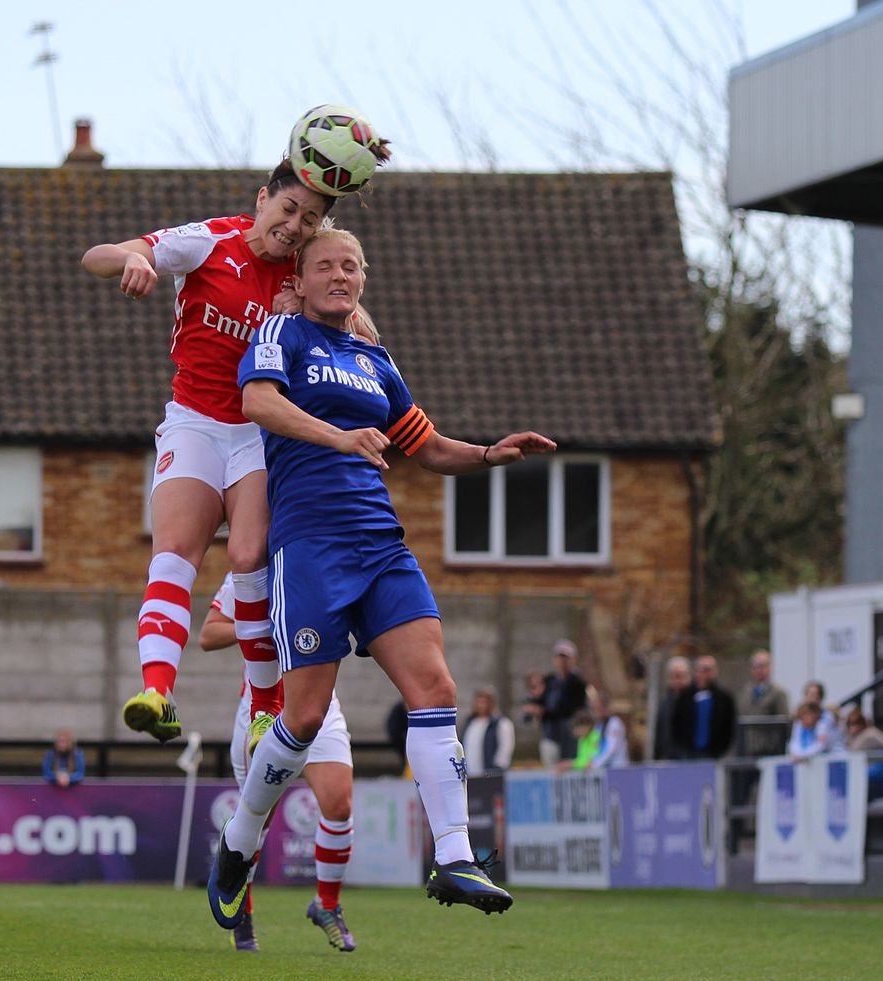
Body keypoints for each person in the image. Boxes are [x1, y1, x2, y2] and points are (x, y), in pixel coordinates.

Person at [208, 224, 555, 928]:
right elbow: (258, 403)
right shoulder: (281, 333)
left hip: (380, 545)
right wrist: (339, 436)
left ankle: (455, 854)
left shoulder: (375, 359)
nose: (340, 275)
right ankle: (241, 838)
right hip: (308, 546)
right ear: (299, 280)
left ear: (364, 280)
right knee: (302, 717)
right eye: (325, 266)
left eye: (351, 267)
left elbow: (422, 444)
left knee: (437, 686)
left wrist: (489, 453)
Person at [80, 155, 370, 744]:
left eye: (309, 219)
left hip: (260, 433)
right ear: (264, 199)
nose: (294, 226)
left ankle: (265, 707)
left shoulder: (303, 273)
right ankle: (157, 692)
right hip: (193, 424)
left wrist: (320, 318)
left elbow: (362, 333)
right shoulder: (209, 242)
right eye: (288, 209)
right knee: (175, 552)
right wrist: (134, 257)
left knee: (247, 557)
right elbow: (97, 255)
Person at [200, 572, 356, 953]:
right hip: (262, 711)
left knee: (339, 805)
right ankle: (243, 914)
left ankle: (327, 905)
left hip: (320, 706)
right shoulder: (252, 570)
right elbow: (208, 634)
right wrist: (260, 625)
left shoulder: (328, 557)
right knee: (257, 819)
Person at [670, 655, 736, 759]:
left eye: (709, 669)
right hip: (688, 753)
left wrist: (721, 750)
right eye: (703, 669)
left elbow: (729, 727)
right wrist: (680, 749)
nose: (706, 673)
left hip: (714, 753)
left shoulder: (724, 697)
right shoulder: (685, 696)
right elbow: (676, 725)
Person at [536, 640, 588, 765]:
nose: (562, 661)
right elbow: (540, 701)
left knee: (567, 767)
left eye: (566, 658)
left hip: (570, 735)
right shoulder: (549, 681)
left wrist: (545, 711)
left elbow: (572, 708)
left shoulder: (578, 682)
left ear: (573, 659)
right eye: (559, 657)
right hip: (550, 734)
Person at [461, 687, 516, 776]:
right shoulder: (470, 722)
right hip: (471, 771)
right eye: (478, 702)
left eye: (484, 702)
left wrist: (498, 768)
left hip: (490, 772)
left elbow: (505, 748)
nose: (480, 705)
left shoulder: (500, 723)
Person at [654, 656, 692, 760]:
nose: (677, 680)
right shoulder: (665, 703)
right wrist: (658, 756)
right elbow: (660, 731)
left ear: (688, 676)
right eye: (673, 676)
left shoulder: (696, 700)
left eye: (680, 676)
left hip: (692, 758)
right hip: (670, 758)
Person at [736, 649, 790, 718]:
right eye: (755, 666)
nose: (758, 670)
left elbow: (784, 721)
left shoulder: (778, 693)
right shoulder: (745, 692)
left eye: (762, 666)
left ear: (769, 667)